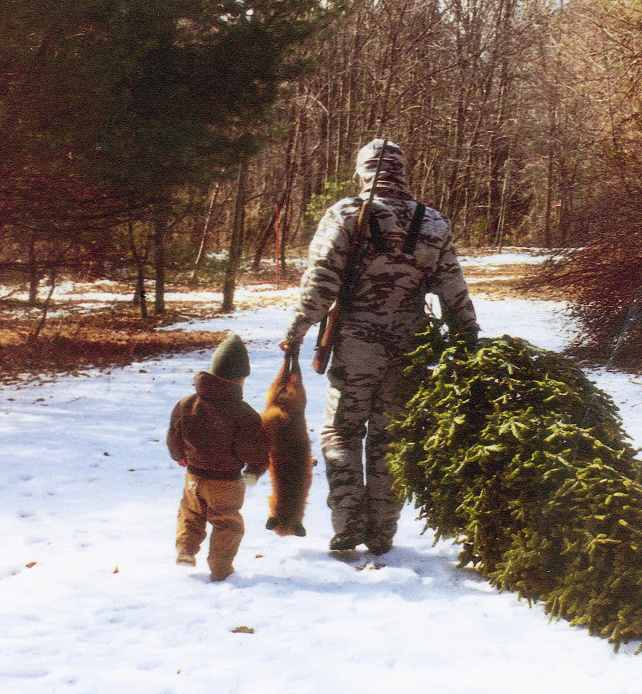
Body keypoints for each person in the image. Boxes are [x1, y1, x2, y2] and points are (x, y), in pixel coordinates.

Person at [282, 138, 478, 555]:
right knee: (392, 438)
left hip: (355, 343)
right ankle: (383, 533)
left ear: (362, 172)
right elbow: (454, 292)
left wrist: (297, 330)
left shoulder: (346, 214)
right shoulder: (433, 222)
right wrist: (467, 341)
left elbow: (321, 282)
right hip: (411, 346)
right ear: (402, 173)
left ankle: (349, 520)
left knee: (341, 431)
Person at [167, 333, 270, 581]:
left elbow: (174, 434)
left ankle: (186, 549)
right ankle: (221, 568)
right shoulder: (244, 414)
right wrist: (255, 469)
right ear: (241, 379)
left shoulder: (186, 403)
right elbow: (252, 449)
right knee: (227, 524)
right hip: (226, 481)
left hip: (193, 476)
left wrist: (178, 454)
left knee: (190, 514)